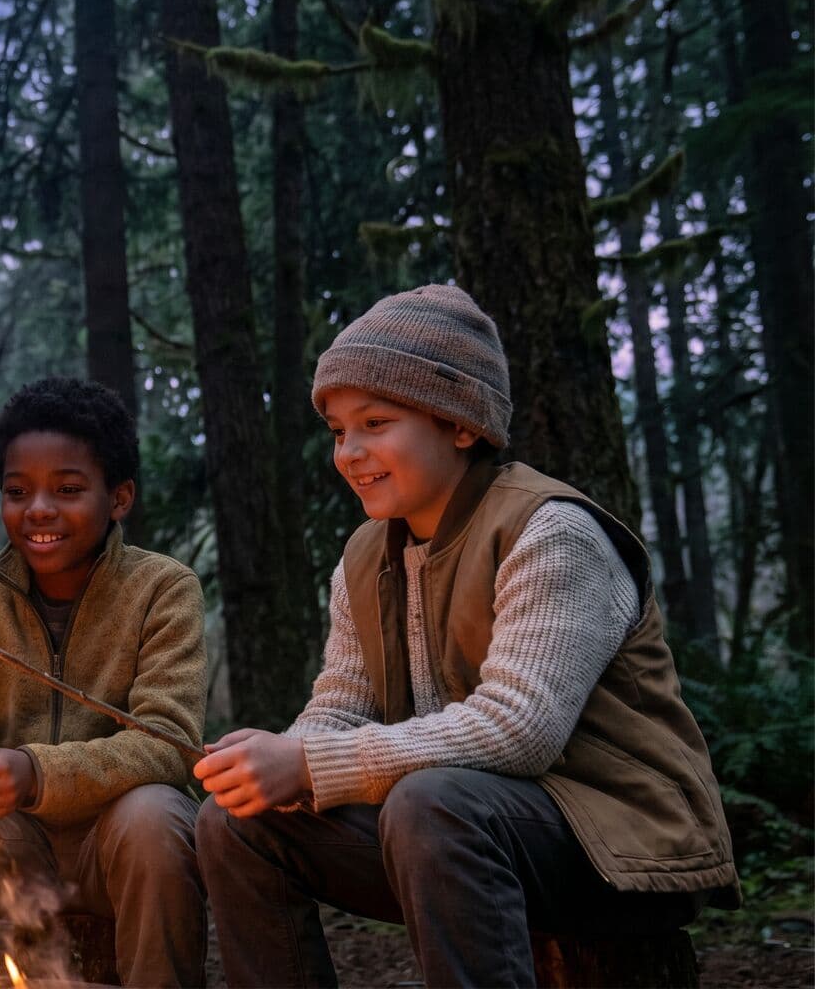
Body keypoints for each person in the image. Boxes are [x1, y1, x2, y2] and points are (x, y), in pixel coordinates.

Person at [194, 284, 739, 987]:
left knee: (434, 801)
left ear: (460, 424)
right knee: (235, 820)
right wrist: (284, 760)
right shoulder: (366, 554)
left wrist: (310, 765)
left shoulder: (553, 532)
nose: (350, 452)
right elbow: (341, 702)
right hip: (458, 835)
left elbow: (521, 728)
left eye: (375, 422)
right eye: (337, 431)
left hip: (619, 844)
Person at [0, 376, 208, 987]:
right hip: (15, 838)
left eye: (67, 490)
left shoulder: (163, 589)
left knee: (154, 817)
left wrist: (35, 771)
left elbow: (169, 741)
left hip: (114, 836)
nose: (38, 509)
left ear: (118, 498)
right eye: (18, 491)